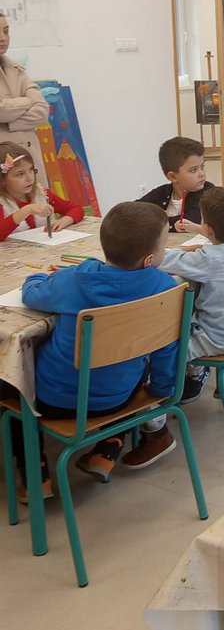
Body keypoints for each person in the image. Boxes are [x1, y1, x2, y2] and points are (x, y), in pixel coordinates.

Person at [9, 201, 179, 496]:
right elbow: (166, 350)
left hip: (52, 400)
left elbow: (31, 296)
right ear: (150, 259)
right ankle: (108, 447)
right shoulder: (165, 288)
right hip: (119, 399)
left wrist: (36, 276)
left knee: (13, 389)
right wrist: (161, 390)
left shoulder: (72, 279)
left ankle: (36, 474)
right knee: (132, 363)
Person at [122, 188, 224, 469]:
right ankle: (197, 375)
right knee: (189, 319)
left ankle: (156, 432)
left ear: (208, 229)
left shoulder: (209, 260)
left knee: (154, 354)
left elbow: (163, 260)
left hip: (217, 337)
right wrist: (202, 236)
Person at [0, 141, 85, 241]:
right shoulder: (2, 203)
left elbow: (76, 209)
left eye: (31, 170)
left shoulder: (41, 194)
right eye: (20, 174)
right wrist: (27, 210)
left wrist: (64, 220)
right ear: (2, 180)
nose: (29, 178)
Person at [0, 13, 49, 185]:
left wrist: (8, 123)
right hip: (5, 162)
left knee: (38, 199)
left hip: (29, 157)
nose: (3, 38)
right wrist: (27, 102)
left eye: (6, 31)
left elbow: (42, 109)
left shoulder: (16, 69)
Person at [138, 135, 214, 234]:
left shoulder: (209, 193)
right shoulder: (162, 192)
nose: (202, 174)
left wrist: (158, 218)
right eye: (193, 170)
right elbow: (132, 211)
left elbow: (188, 222)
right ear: (173, 177)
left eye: (202, 167)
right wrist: (155, 214)